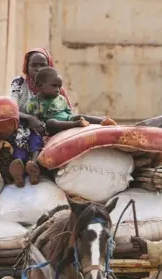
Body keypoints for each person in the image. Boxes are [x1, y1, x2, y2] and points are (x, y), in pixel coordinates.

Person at [8, 48, 115, 185]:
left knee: (74, 121)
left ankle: (104, 121)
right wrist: (30, 118)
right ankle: (21, 167)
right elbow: (11, 109)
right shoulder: (19, 84)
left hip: (53, 127)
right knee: (23, 136)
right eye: (33, 65)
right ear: (26, 67)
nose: (38, 69)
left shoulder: (58, 90)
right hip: (27, 126)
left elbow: (68, 113)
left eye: (43, 65)